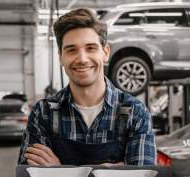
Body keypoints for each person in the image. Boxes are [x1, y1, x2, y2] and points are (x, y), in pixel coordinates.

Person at [18, 8, 156, 166]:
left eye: (90, 48)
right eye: (71, 50)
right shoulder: (43, 113)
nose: (82, 59)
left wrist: (58, 170)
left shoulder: (135, 112)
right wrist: (112, 172)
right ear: (61, 57)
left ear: (105, 52)